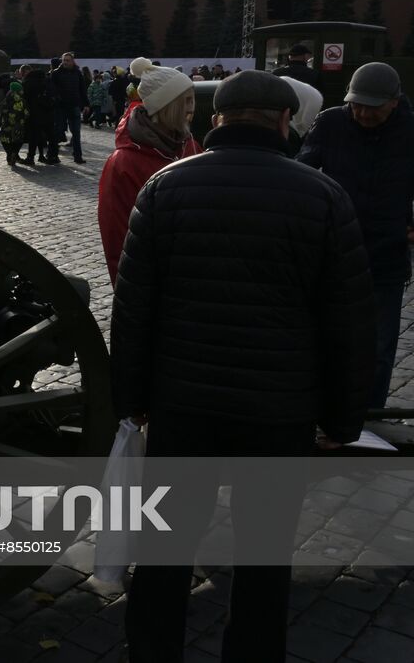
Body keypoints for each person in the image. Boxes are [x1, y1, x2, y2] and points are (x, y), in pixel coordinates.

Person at [111, 69, 374, 663]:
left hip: (184, 404)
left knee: (164, 548)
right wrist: (342, 420)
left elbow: (133, 308)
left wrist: (132, 400)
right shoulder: (323, 196)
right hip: (277, 410)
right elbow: (349, 322)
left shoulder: (164, 187)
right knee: (264, 556)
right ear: (284, 122)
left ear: (216, 120)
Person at [297, 61, 414, 408]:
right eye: (356, 104)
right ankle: (323, 407)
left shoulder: (410, 130)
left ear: (394, 102)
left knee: (379, 343)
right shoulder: (330, 122)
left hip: (387, 253)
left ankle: (370, 413)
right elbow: (303, 170)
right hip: (335, 248)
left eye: (372, 107)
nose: (362, 113)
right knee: (325, 335)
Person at [96, 58, 200, 284]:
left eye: (193, 99)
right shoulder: (123, 163)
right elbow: (118, 239)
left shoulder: (190, 145)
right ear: (166, 106)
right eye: (186, 101)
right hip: (155, 283)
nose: (192, 107)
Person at [47, 51, 89, 164]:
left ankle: (78, 156)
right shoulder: (56, 73)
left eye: (68, 60)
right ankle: (52, 155)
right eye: (64, 60)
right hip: (60, 107)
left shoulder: (78, 73)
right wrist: (57, 99)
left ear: (72, 61)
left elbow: (82, 89)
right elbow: (51, 89)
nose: (65, 62)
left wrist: (86, 104)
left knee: (76, 132)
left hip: (74, 105)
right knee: (57, 131)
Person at [21, 65, 55, 165]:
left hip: (34, 113)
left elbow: (25, 97)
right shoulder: (47, 80)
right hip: (48, 112)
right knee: (48, 135)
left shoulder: (28, 82)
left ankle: (30, 157)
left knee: (33, 136)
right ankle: (50, 156)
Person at [0, 79, 28, 167]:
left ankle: (9, 154)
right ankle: (14, 153)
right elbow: (26, 113)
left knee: (5, 140)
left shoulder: (6, 99)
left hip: (6, 124)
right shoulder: (21, 100)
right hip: (18, 124)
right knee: (18, 140)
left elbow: (1, 111)